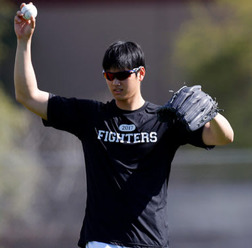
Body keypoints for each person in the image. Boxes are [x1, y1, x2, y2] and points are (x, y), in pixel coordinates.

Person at [14, 3, 234, 248]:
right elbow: (28, 96)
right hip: (102, 241)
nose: (115, 82)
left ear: (140, 74)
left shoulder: (165, 120)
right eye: (109, 75)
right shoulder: (92, 116)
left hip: (149, 241)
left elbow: (224, 137)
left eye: (122, 75)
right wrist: (24, 41)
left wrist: (211, 112)